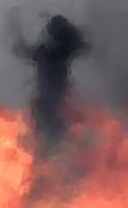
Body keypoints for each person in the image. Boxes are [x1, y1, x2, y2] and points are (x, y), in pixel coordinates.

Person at [13, 14, 89, 149]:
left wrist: (15, 29)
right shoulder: (64, 50)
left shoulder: (47, 51)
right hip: (59, 101)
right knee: (56, 140)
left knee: (47, 141)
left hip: (48, 102)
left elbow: (23, 51)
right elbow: (83, 45)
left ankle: (48, 161)